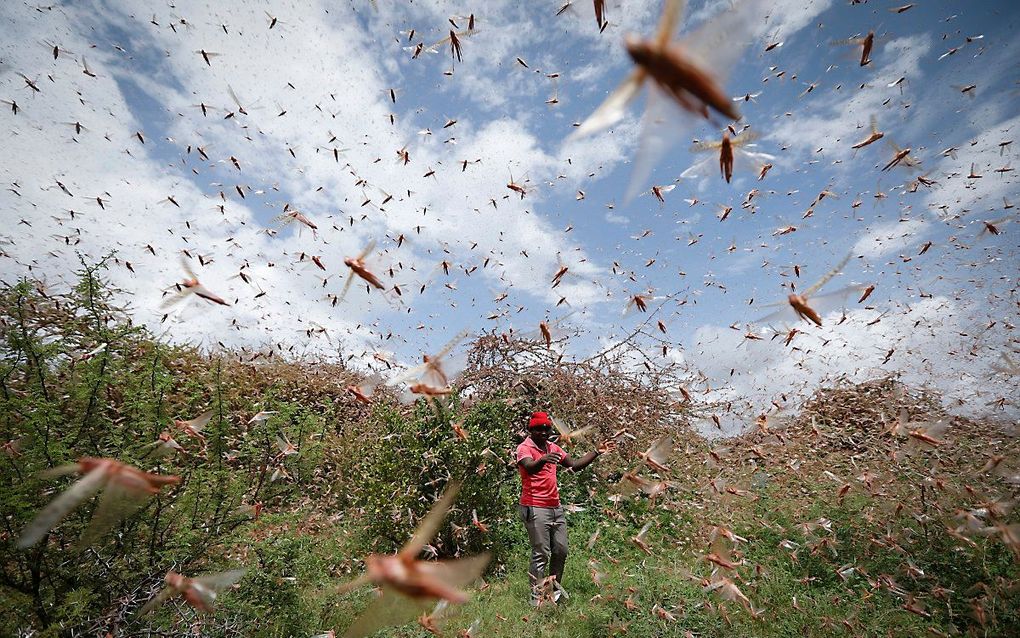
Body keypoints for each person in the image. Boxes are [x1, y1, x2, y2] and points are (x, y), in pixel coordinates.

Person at [515, 411, 615, 605]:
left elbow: (575, 465)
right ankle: (536, 599)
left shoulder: (553, 447)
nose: (544, 432)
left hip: (555, 507)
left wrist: (596, 451)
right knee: (541, 552)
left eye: (547, 429)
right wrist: (543, 460)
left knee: (561, 550)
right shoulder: (524, 448)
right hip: (535, 507)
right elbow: (529, 466)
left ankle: (552, 593)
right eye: (539, 429)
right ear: (531, 430)